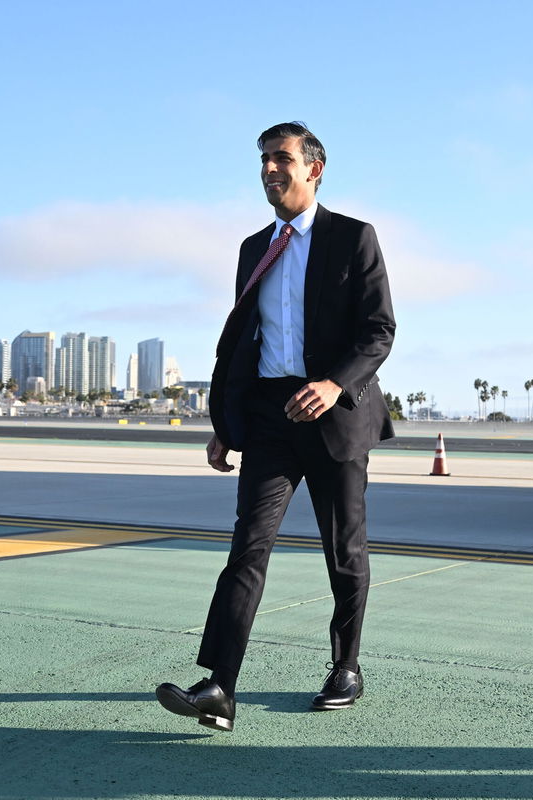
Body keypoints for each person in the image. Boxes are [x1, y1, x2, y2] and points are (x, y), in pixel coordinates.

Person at [156, 122, 395, 732]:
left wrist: (335, 383)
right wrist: (227, 425)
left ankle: (346, 665)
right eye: (263, 160)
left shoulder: (353, 238)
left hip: (335, 415)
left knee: (343, 550)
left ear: (314, 168)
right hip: (269, 418)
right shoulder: (253, 248)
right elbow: (245, 344)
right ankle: (219, 686)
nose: (269, 170)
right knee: (247, 548)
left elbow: (379, 330)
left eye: (281, 159)